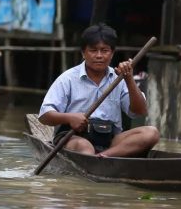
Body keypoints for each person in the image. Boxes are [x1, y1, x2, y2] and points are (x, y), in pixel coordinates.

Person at [38, 24, 160, 157]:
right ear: (83, 53)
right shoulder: (67, 78)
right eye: (93, 50)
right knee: (85, 148)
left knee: (151, 133)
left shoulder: (119, 78)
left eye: (104, 50)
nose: (99, 55)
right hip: (73, 137)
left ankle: (104, 156)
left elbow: (139, 111)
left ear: (112, 53)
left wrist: (129, 79)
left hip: (110, 140)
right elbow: (44, 116)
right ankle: (97, 159)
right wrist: (70, 117)